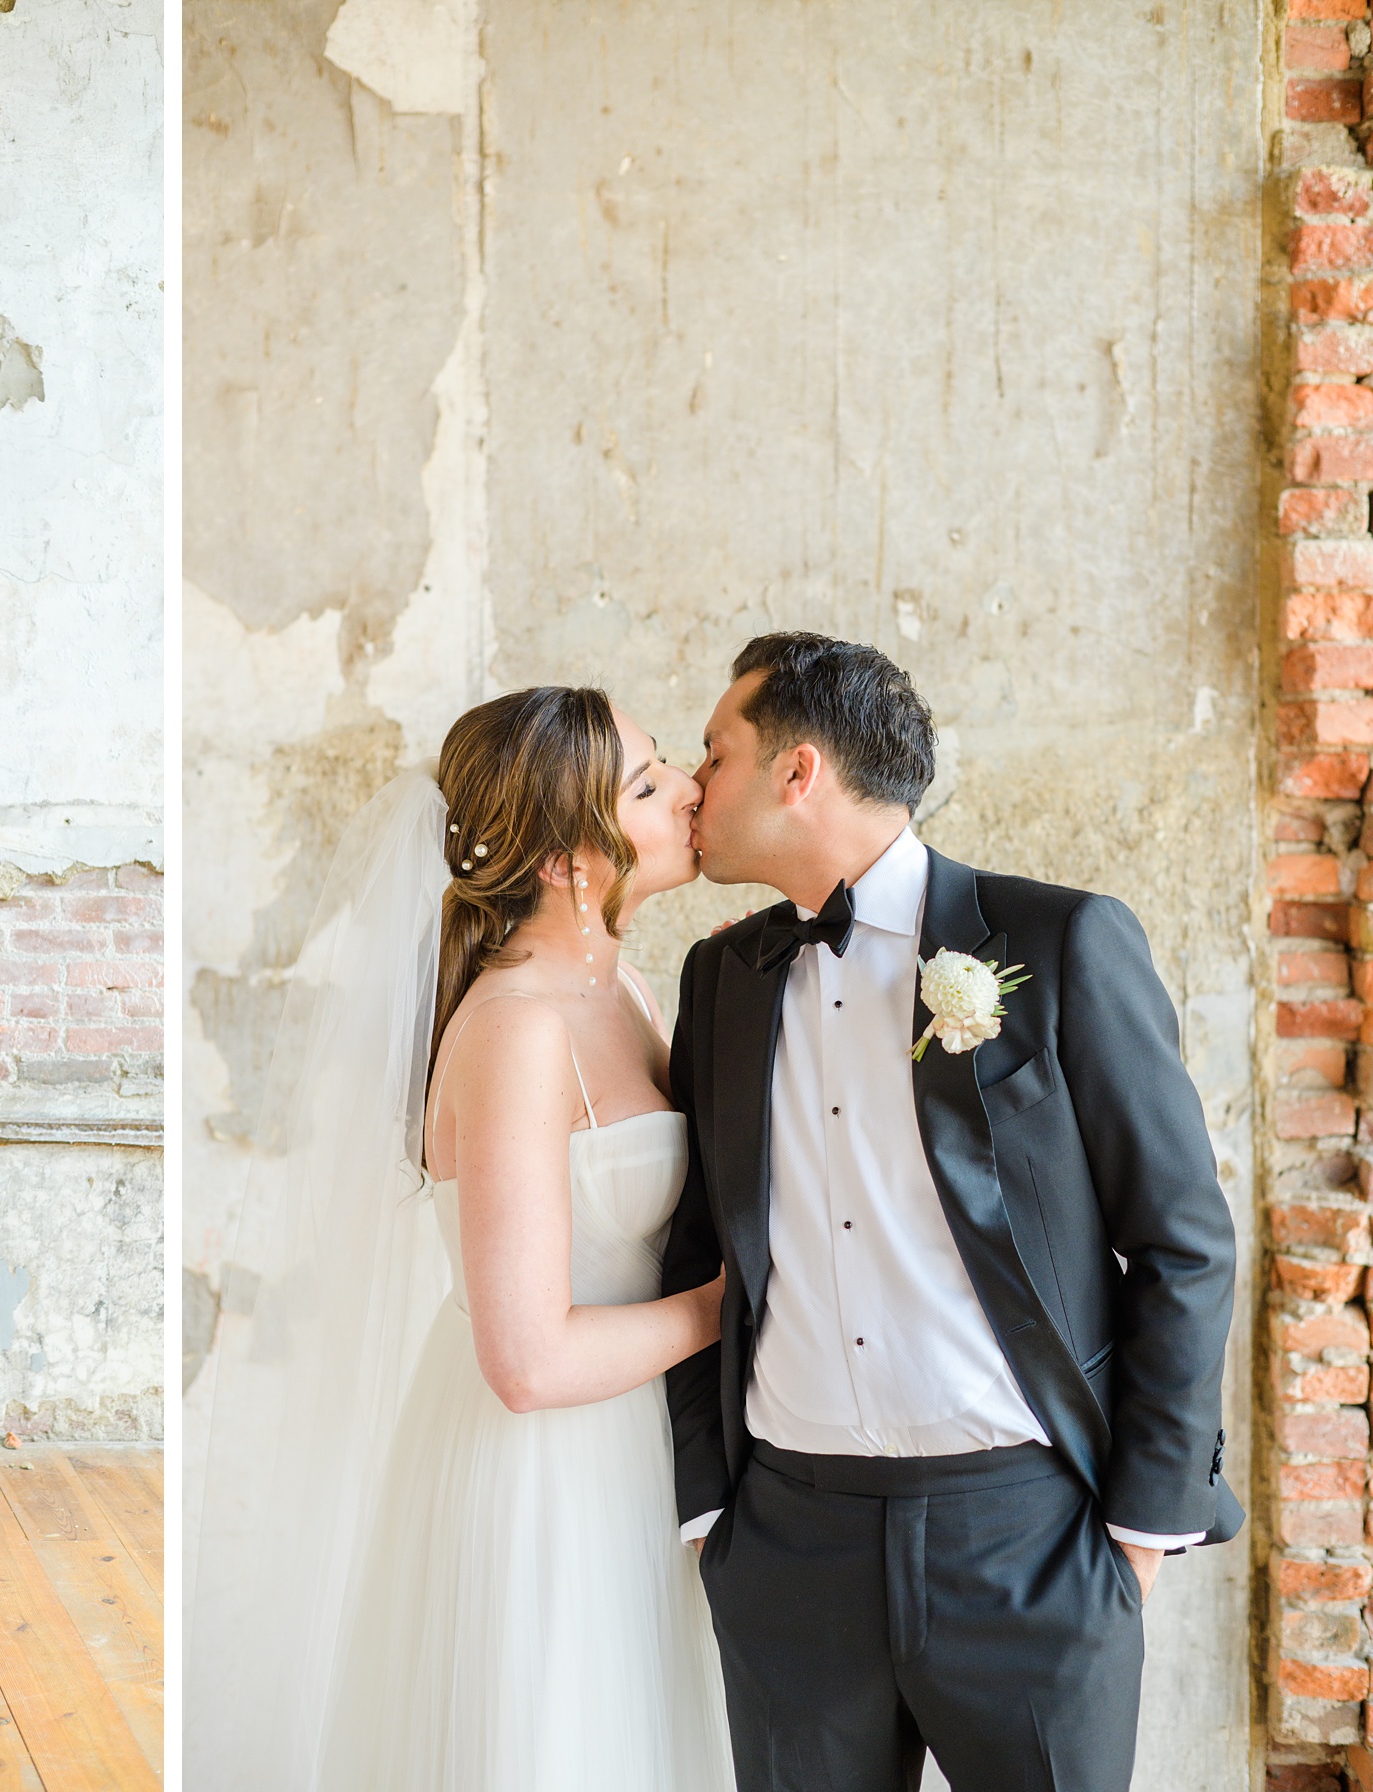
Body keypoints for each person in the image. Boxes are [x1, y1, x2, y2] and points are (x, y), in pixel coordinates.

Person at [662, 632, 1243, 1792]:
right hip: (786, 1547)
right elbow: (696, 1241)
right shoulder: (720, 979)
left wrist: (1138, 1536)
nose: (691, 786)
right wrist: (709, 1506)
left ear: (798, 773)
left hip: (1027, 1544)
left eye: (713, 754)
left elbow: (1184, 1240)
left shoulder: (1061, 942)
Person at [188, 686, 733, 1791]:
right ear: (565, 862)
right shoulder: (521, 1031)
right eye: (647, 783)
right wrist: (737, 1302)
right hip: (549, 1473)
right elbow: (526, 1362)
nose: (687, 790)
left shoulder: (618, 985)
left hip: (643, 1450)